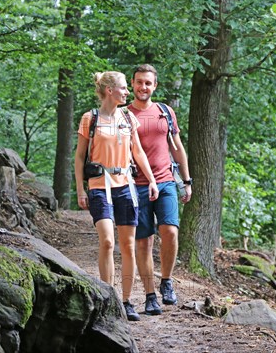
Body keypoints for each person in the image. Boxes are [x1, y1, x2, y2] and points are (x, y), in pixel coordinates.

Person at [74, 71, 159, 321]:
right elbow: (79, 156)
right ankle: (107, 297)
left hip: (125, 186)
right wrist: (81, 188)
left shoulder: (128, 118)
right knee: (108, 242)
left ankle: (125, 300)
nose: (127, 92)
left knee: (128, 245)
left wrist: (151, 180)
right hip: (100, 185)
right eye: (123, 88)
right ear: (109, 90)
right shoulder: (90, 118)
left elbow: (139, 152)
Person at [128, 64, 192, 315]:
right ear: (132, 84)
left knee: (170, 232)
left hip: (165, 181)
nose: (143, 87)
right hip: (135, 186)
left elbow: (177, 147)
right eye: (139, 82)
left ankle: (166, 280)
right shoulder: (123, 115)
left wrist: (186, 181)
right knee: (143, 243)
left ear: (155, 86)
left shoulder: (165, 112)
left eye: (148, 83)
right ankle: (149, 295)